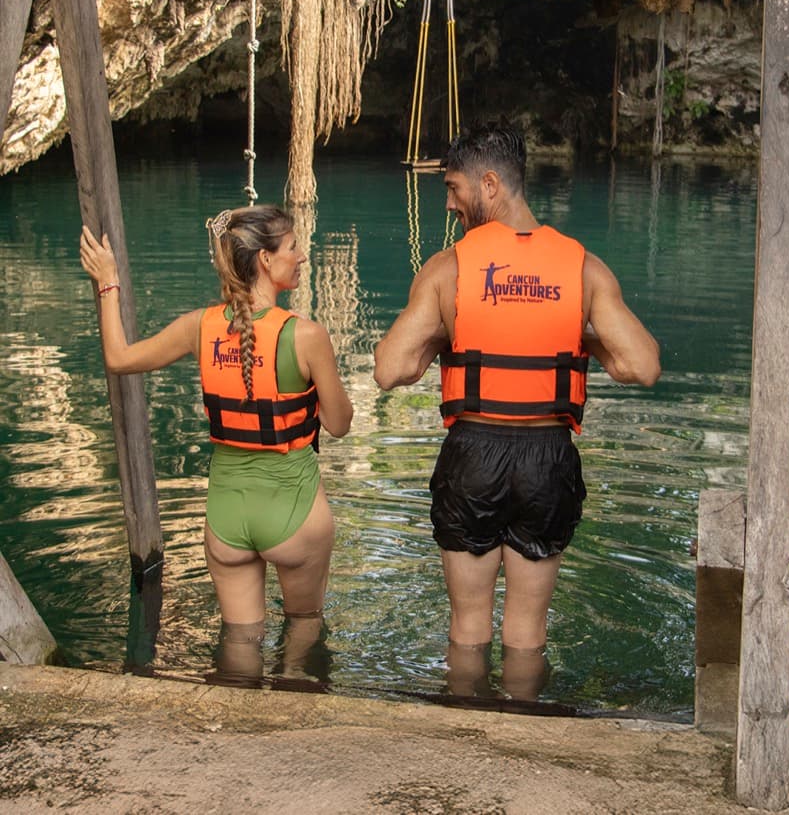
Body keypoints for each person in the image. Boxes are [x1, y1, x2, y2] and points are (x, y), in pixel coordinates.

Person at [373, 125, 660, 695]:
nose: (450, 203)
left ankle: (467, 729)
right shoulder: (582, 268)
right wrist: (577, 336)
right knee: (527, 629)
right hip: (546, 459)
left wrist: (445, 340)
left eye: (454, 189)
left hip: (473, 455)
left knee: (468, 625)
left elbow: (390, 369)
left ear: (489, 184)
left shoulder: (447, 268)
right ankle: (525, 729)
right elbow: (642, 365)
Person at [80, 204, 353, 677]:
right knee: (303, 631)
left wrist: (108, 282)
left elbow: (119, 358)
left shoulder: (199, 327)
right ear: (265, 260)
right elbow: (341, 423)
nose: (302, 255)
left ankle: (236, 732)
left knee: (241, 645)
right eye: (292, 247)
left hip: (226, 518)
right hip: (295, 516)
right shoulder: (306, 336)